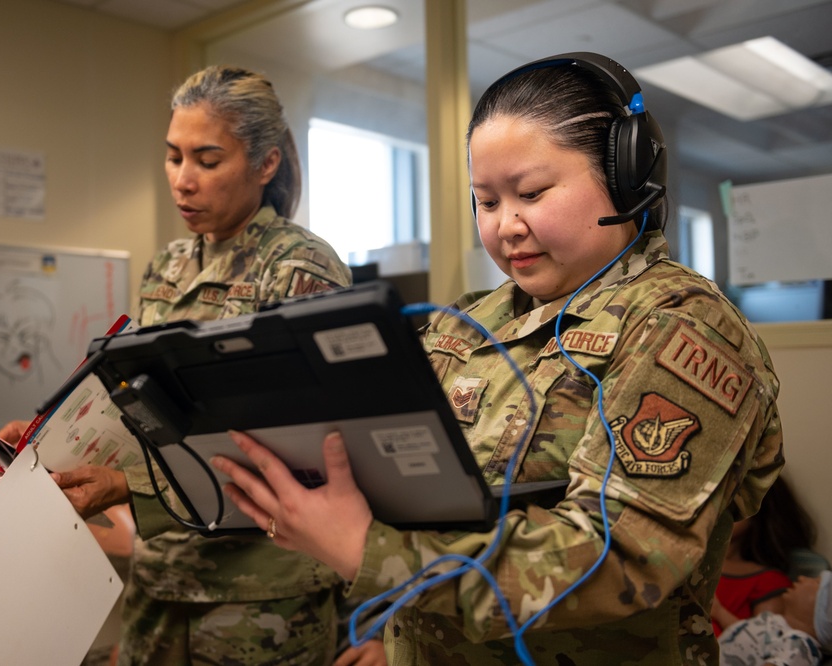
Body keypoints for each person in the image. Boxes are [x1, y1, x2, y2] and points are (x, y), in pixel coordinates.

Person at [211, 52, 785, 664]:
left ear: (623, 174)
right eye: (486, 201)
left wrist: (366, 552)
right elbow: (408, 494)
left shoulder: (680, 325)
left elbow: (621, 556)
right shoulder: (465, 322)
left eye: (532, 193)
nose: (506, 225)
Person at [0, 66, 385, 665]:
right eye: (174, 157)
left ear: (266, 165)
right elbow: (132, 407)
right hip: (162, 584)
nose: (183, 181)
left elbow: (307, 447)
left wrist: (132, 490)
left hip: (262, 596)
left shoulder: (298, 267)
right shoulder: (167, 268)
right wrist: (43, 443)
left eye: (207, 160)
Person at [713, 475, 817, 636]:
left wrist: (719, 613)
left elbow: (767, 648)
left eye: (734, 498)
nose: (719, 507)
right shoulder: (681, 563)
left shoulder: (768, 582)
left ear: (760, 509)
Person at [719, 571, 832, 666]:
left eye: (816, 582)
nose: (802, 578)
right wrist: (719, 611)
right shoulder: (778, 624)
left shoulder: (801, 647)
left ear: (823, 611)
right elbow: (747, 637)